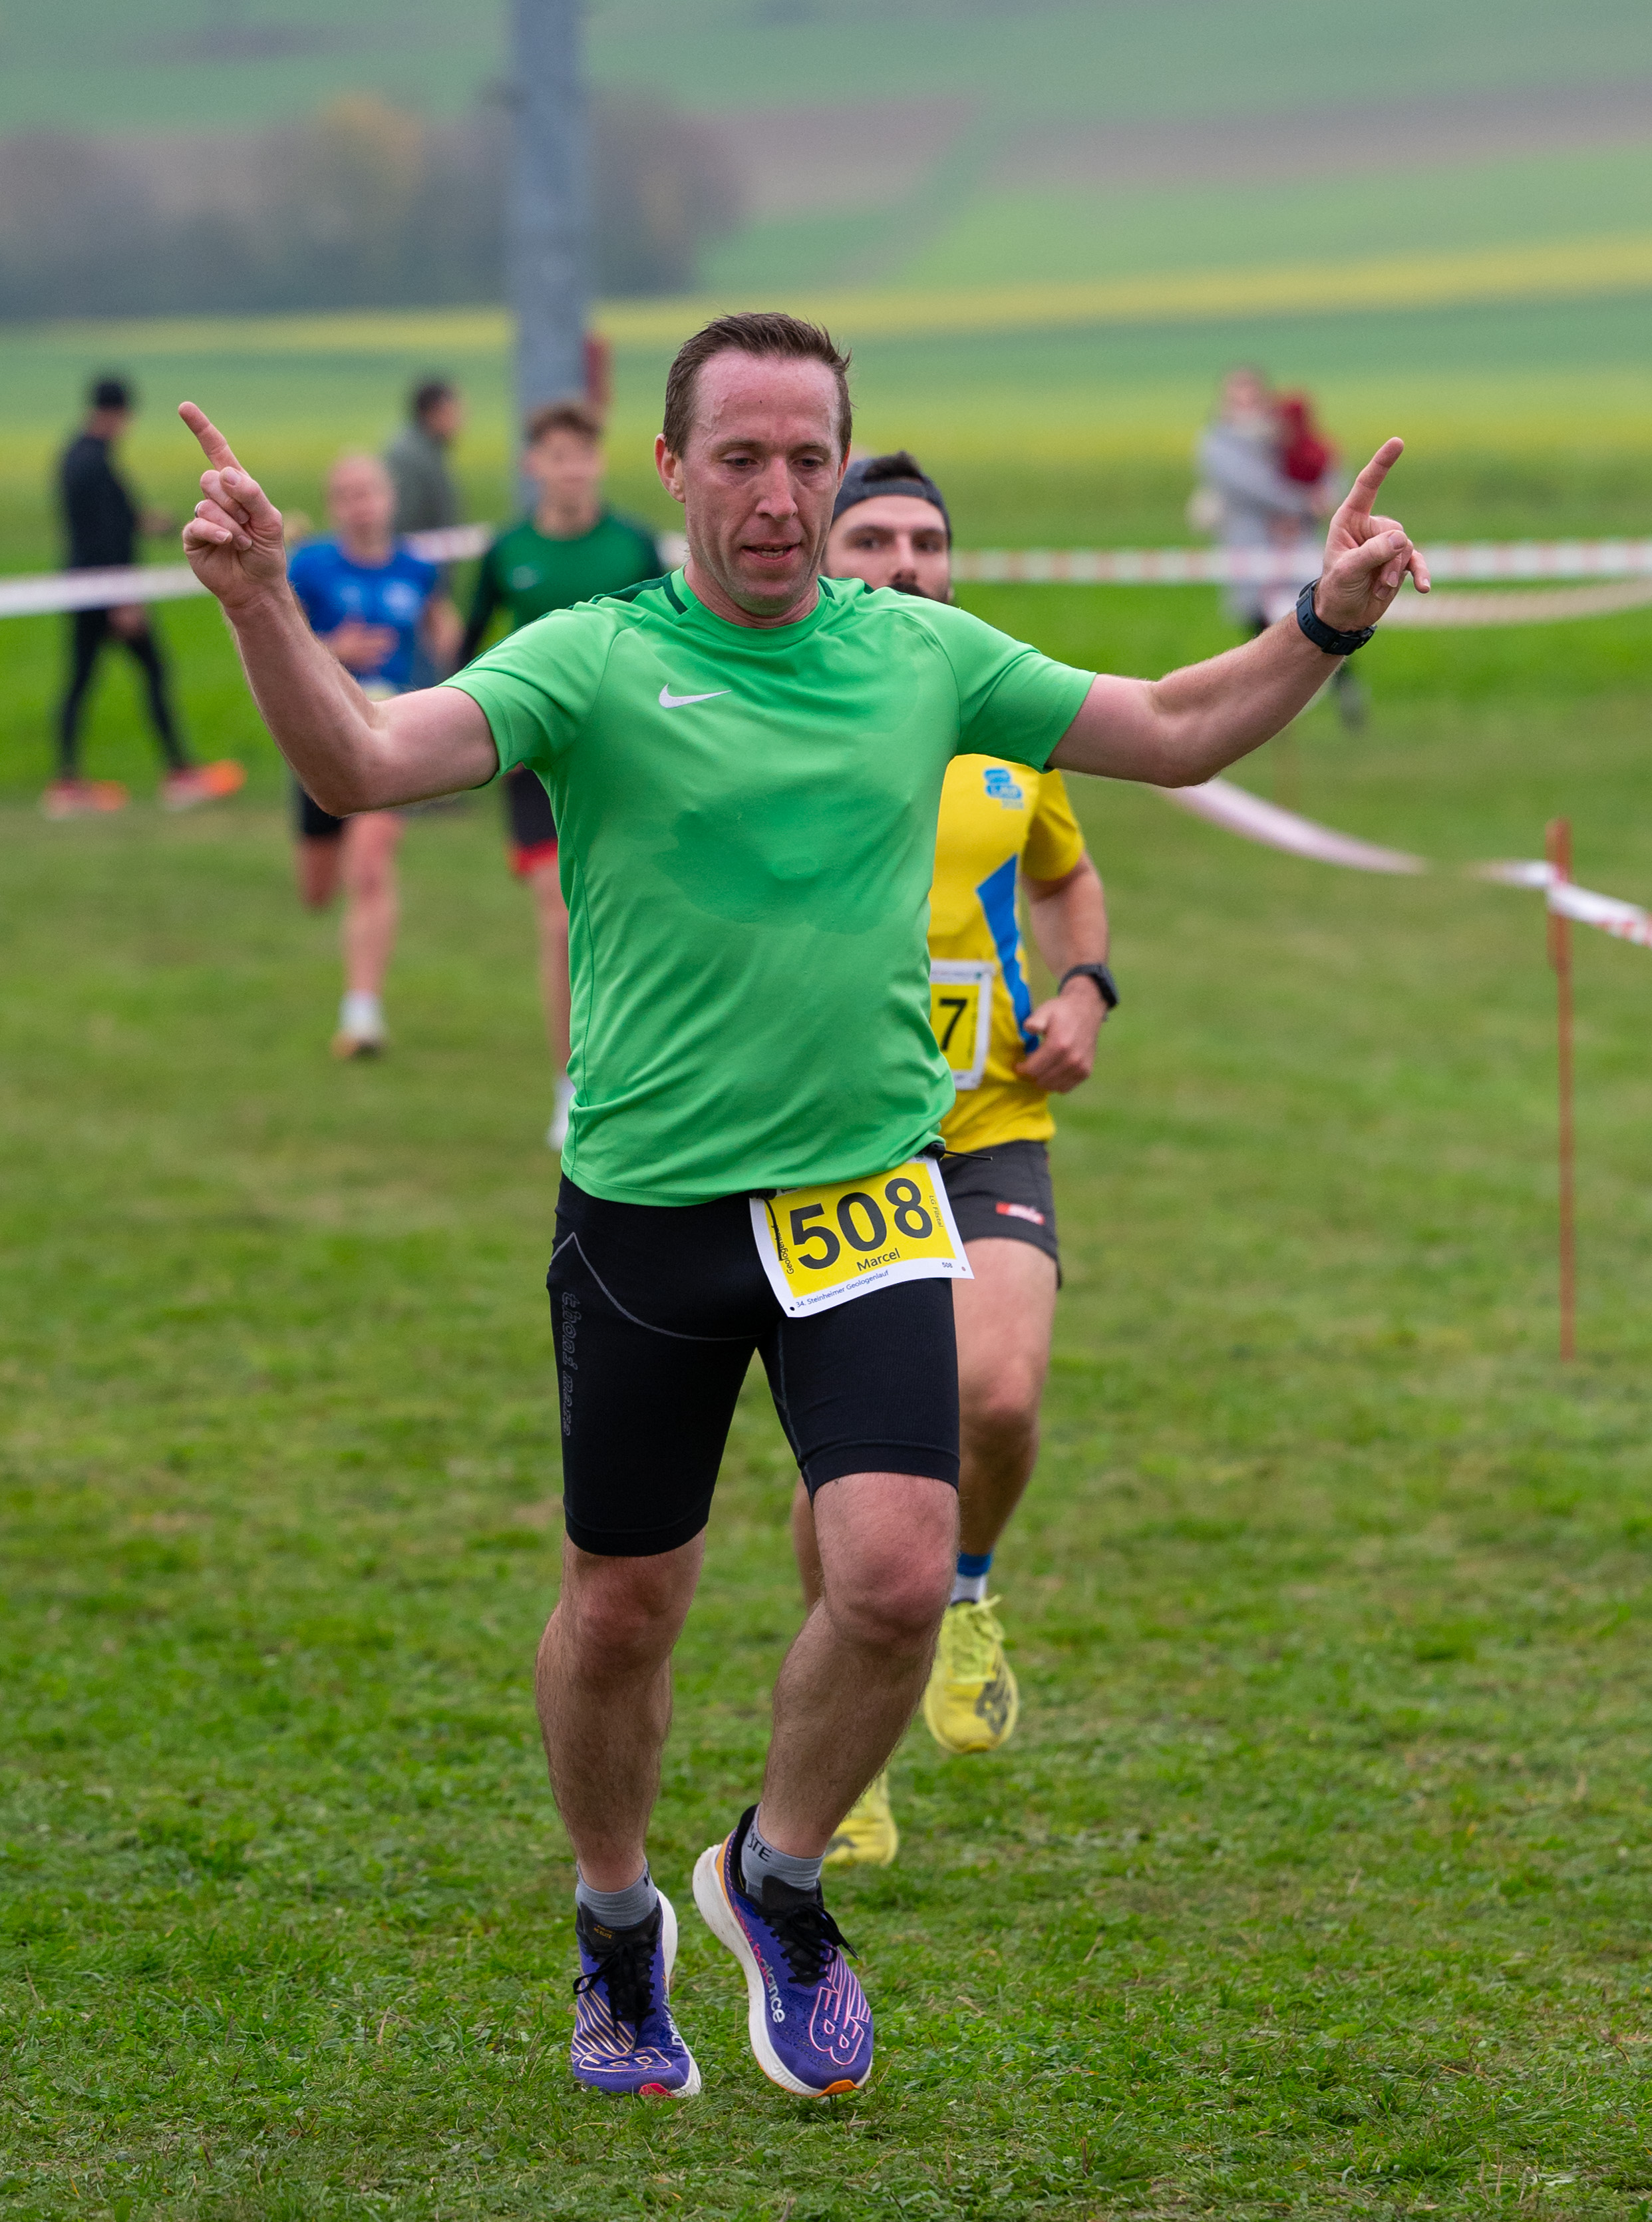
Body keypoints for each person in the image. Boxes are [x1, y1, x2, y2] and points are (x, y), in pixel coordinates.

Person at [174, 309, 1426, 2112]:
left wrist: (1322, 621)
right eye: (742, 458)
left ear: (841, 471)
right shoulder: (591, 657)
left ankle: (775, 1874)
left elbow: (1167, 729)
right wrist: (259, 605)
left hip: (866, 1192)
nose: (778, 495)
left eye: (809, 459)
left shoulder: (917, 651)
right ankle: (617, 1916)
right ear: (672, 468)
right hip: (650, 1209)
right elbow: (363, 761)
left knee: (899, 1576)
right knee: (626, 1608)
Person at [800, 449, 1114, 1871]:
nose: (904, 563)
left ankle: (967, 1591)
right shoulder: (780, 708)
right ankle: (844, 1736)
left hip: (988, 1118)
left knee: (996, 1395)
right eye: (871, 539)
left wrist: (1085, 988)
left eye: (925, 541)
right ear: (822, 556)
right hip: (827, 1136)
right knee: (850, 1467)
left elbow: (1062, 873)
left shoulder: (1003, 716)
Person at [455, 397, 665, 1152]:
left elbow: (674, 640)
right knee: (560, 915)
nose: (570, 469)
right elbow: (468, 653)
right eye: (556, 456)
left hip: (624, 759)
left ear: (598, 463)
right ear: (533, 465)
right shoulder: (506, 551)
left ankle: (642, 1071)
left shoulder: (634, 546)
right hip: (535, 764)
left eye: (581, 455)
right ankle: (569, 1086)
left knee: (632, 918)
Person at [287, 453, 460, 1059]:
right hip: (316, 737)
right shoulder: (309, 567)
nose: (360, 506)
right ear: (333, 506)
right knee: (317, 890)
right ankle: (355, 986)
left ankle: (361, 1016)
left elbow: (446, 632)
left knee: (369, 867)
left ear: (389, 499)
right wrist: (334, 649)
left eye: (369, 492)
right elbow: (279, 645)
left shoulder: (418, 569)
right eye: (347, 495)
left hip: (387, 734)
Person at [45, 374, 244, 821]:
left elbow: (105, 520)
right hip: (108, 591)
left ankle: (67, 781)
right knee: (153, 671)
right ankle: (179, 774)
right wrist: (123, 598)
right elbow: (102, 537)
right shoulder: (96, 463)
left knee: (80, 680)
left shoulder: (75, 455)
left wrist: (147, 522)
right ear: (120, 413)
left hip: (82, 587)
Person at [1194, 365, 1364, 727]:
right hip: (1250, 549)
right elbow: (1251, 486)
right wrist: (1303, 504)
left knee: (1322, 617)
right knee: (1260, 632)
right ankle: (1267, 713)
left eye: (1252, 398)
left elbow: (1324, 465)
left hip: (1296, 547)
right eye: (1236, 399)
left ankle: (1344, 694)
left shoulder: (1283, 436)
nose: (1245, 408)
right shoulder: (1217, 444)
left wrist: (1321, 500)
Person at [383, 378, 464, 538]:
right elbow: (403, 521)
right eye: (455, 412)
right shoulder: (409, 457)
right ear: (435, 412)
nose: (461, 421)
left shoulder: (428, 449)